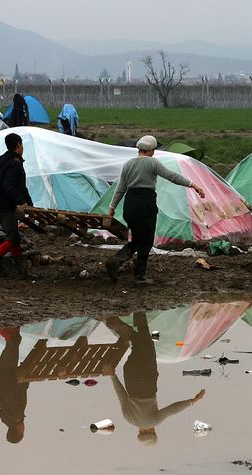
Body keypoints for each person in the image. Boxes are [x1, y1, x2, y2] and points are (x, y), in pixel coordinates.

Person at [106, 135, 205, 284]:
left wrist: (112, 207)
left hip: (130, 204)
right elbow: (172, 176)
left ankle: (116, 261)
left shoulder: (128, 164)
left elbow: (120, 189)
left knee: (138, 239)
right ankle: (139, 276)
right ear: (151, 150)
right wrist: (193, 184)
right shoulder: (152, 163)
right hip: (145, 203)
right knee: (146, 241)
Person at [106, 312, 205, 446]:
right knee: (140, 343)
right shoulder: (128, 419)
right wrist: (112, 375)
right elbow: (121, 394)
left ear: (152, 432)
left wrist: (193, 401)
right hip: (130, 378)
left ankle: (138, 313)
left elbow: (172, 409)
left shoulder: (153, 421)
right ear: (139, 433)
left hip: (147, 381)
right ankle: (128, 323)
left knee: (146, 343)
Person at [0, 133, 33, 273]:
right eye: (22, 144)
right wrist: (21, 202)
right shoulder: (14, 163)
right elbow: (10, 186)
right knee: (12, 237)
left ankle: (21, 270)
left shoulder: (8, 162)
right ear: (18, 145)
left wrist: (30, 204)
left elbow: (21, 187)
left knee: (14, 238)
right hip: (6, 206)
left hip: (1, 204)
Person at [0, 327, 29, 444]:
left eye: (22, 433)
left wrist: (23, 380)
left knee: (13, 342)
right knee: (13, 342)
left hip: (8, 374)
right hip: (0, 374)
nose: (24, 430)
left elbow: (11, 394)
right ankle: (11, 325)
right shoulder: (6, 418)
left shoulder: (16, 415)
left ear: (19, 432)